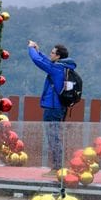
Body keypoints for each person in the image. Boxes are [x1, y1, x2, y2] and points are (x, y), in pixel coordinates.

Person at [28, 41, 75, 172]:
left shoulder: (57, 69)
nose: (50, 54)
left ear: (58, 56)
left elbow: (38, 61)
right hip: (59, 108)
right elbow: (46, 61)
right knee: (55, 136)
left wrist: (31, 49)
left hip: (53, 109)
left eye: (52, 53)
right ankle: (57, 166)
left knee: (53, 137)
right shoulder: (63, 67)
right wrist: (38, 50)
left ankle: (57, 168)